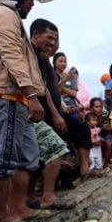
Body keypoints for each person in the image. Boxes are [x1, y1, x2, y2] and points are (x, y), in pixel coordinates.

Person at [0, 0, 52, 222]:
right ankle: (2, 218)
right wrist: (32, 96)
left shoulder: (9, 15)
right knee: (5, 156)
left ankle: (19, 208)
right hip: (6, 94)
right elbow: (12, 57)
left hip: (17, 97)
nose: (31, 4)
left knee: (27, 156)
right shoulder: (3, 14)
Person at [28, 18, 74, 211]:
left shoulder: (41, 59)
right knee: (56, 149)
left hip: (39, 112)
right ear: (35, 35)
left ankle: (29, 199)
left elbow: (47, 88)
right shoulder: (29, 56)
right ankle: (47, 196)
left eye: (56, 40)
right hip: (30, 112)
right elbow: (41, 89)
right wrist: (54, 113)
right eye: (49, 38)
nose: (53, 43)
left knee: (32, 158)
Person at [89, 97, 112, 168]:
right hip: (93, 134)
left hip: (104, 133)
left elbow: (109, 129)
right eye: (97, 107)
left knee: (109, 144)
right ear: (91, 108)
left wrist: (108, 128)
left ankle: (105, 164)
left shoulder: (105, 114)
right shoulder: (89, 116)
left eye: (101, 106)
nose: (99, 108)